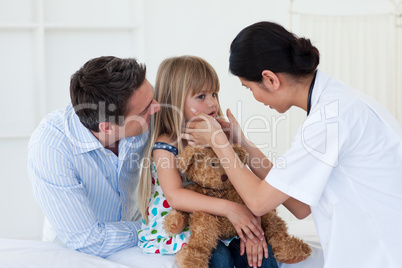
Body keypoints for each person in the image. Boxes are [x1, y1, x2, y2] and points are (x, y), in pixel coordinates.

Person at [183, 21, 402, 267]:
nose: (254, 97)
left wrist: (219, 143)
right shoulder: (338, 105)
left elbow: (259, 201)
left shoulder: (329, 120)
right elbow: (300, 206)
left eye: (249, 88)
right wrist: (241, 142)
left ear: (270, 79)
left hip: (383, 254)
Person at [137, 55, 278, 268]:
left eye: (214, 94)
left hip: (222, 223)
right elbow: (175, 196)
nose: (213, 102)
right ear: (175, 99)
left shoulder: (220, 135)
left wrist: (249, 222)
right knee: (217, 257)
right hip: (184, 225)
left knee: (262, 255)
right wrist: (232, 209)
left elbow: (241, 184)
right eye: (201, 96)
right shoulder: (166, 144)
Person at [27, 56, 161, 258]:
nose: (157, 107)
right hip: (76, 253)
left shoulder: (140, 113)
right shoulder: (51, 147)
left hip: (139, 244)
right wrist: (157, 228)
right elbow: (87, 241)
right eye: (146, 110)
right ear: (108, 127)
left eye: (153, 97)